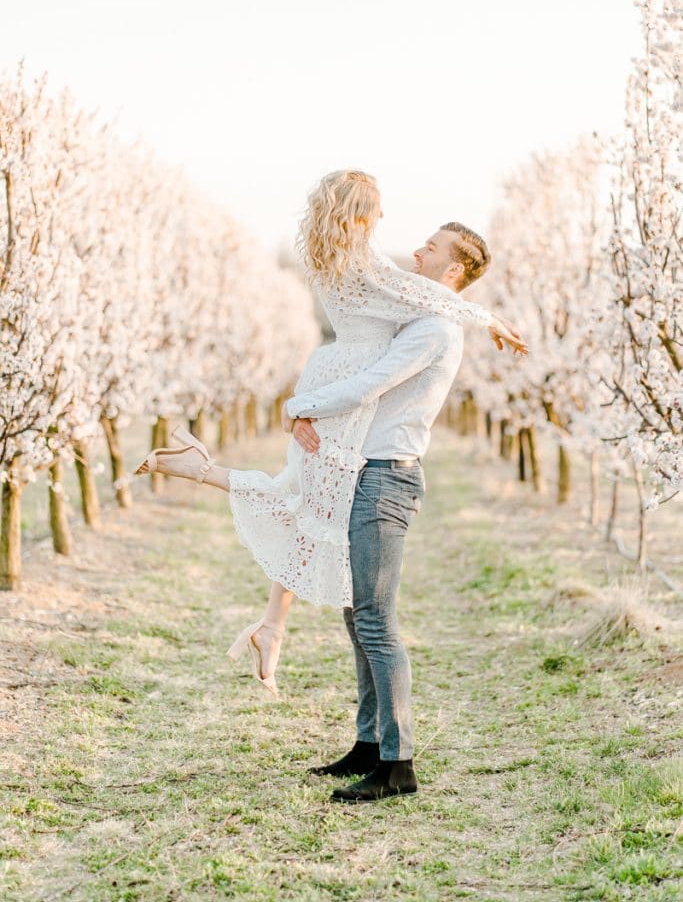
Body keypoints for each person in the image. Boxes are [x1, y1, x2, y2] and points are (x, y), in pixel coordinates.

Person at [135, 171, 527, 697]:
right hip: (345, 387)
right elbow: (429, 300)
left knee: (312, 503)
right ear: (358, 211)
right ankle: (196, 470)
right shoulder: (368, 265)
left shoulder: (332, 255)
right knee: (310, 502)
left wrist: (481, 316)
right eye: (379, 209)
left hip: (332, 374)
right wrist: (489, 318)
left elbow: (428, 299)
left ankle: (271, 625)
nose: (388, 221)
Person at [284, 222, 500, 802]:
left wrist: (298, 405)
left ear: (453, 270)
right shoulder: (423, 315)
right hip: (368, 472)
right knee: (358, 614)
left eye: (431, 248)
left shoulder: (433, 328)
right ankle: (368, 744)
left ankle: (398, 762)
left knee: (376, 619)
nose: (418, 251)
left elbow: (370, 383)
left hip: (386, 478)